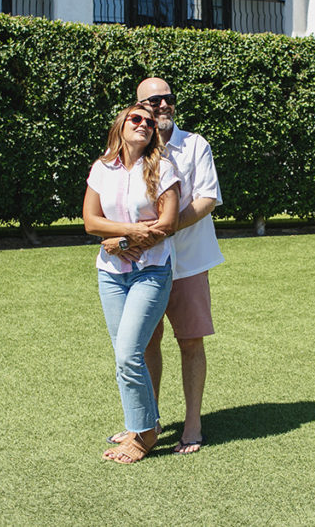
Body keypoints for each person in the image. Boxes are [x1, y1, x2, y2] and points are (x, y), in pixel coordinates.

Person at [105, 77, 224, 454]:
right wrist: (130, 238)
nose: (162, 106)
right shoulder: (132, 148)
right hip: (143, 266)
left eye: (168, 99)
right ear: (137, 107)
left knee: (190, 341)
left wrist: (159, 232)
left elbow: (207, 199)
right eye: (153, 101)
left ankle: (192, 424)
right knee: (145, 343)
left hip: (187, 262)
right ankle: (147, 423)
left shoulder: (194, 145)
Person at [83, 103, 180, 464]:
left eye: (149, 122)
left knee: (128, 354)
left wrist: (122, 242)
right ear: (120, 127)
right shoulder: (101, 168)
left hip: (151, 271)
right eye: (135, 119)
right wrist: (128, 231)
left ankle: (145, 435)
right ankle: (140, 423)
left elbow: (167, 223)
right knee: (125, 355)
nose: (143, 124)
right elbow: (91, 222)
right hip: (110, 274)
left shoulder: (164, 168)